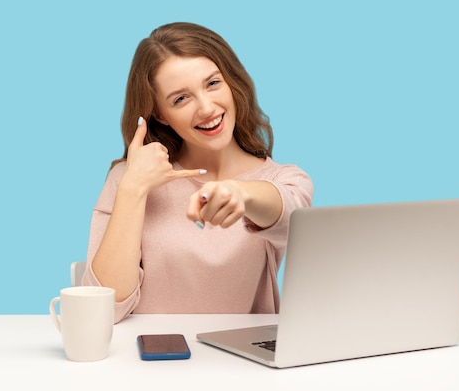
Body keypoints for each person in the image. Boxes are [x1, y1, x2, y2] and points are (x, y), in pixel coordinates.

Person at [81, 22, 313, 323]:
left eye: (213, 83)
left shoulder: (285, 180)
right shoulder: (129, 179)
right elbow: (102, 311)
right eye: (181, 98)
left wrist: (240, 193)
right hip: (148, 361)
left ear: (231, 82)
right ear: (160, 115)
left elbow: (288, 213)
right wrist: (133, 187)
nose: (206, 108)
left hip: (243, 366)